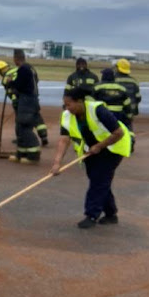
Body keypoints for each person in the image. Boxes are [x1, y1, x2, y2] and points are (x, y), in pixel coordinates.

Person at [51, 87, 132, 228]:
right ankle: (111, 214)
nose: (67, 108)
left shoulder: (97, 110)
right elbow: (64, 139)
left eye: (69, 104)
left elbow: (118, 133)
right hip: (91, 149)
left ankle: (91, 215)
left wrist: (100, 146)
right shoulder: (66, 116)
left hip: (114, 146)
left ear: (80, 101)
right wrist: (57, 163)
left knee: (99, 179)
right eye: (65, 105)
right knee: (98, 179)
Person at [0, 59, 49, 147]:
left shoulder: (5, 79)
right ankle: (43, 136)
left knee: (21, 120)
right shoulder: (20, 69)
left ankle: (21, 138)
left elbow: (10, 92)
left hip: (19, 101)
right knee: (36, 116)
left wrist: (15, 101)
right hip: (32, 97)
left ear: (1, 70)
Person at [6, 49, 42, 163]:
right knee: (20, 127)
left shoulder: (23, 69)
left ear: (16, 58)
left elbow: (19, 85)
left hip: (28, 101)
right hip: (31, 100)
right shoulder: (31, 68)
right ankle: (21, 153)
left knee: (24, 127)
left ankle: (33, 155)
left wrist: (10, 82)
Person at [94, 67, 134, 151]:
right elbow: (127, 103)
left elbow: (92, 102)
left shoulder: (97, 87)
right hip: (118, 114)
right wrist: (129, 116)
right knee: (125, 128)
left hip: (103, 114)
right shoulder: (121, 88)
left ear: (104, 76)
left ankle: (101, 145)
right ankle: (130, 143)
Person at [114, 58, 141, 127]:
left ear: (118, 68)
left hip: (116, 111)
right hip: (130, 112)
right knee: (128, 131)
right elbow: (138, 98)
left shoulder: (114, 80)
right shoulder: (134, 81)